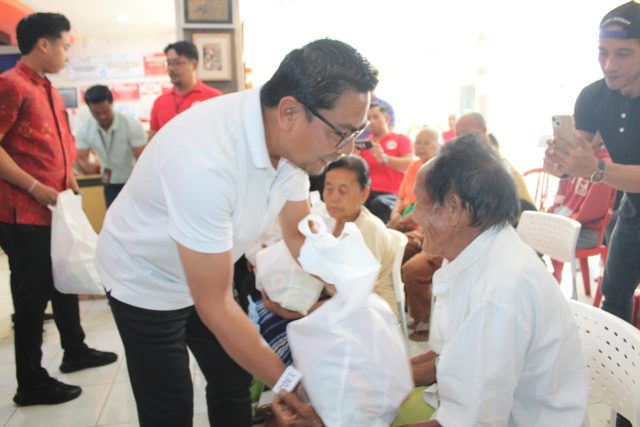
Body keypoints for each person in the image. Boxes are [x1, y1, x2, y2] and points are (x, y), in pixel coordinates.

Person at [94, 39, 377, 427]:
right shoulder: (204, 163)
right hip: (146, 278)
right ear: (290, 112)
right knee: (169, 402)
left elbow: (297, 234)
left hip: (210, 268)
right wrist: (290, 385)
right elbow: (214, 305)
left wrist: (346, 285)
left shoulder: (289, 143)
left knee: (232, 379)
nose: (348, 150)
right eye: (341, 133)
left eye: (357, 133)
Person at [270, 133, 589, 427]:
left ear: (454, 208)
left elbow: (466, 423)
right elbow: (446, 359)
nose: (413, 216)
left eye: (420, 202)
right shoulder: (474, 253)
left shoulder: (499, 292)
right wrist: (354, 394)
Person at [0, 12, 117, 407]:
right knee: (31, 295)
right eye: (65, 45)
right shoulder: (10, 85)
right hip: (23, 210)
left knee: (65, 277)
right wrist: (35, 186)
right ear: (44, 44)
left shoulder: (47, 88)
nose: (68, 53)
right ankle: (30, 382)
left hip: (55, 206)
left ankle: (75, 350)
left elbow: (52, 144)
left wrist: (68, 178)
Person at [256, 155, 400, 366]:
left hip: (370, 315)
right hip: (342, 303)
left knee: (286, 328)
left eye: (343, 191)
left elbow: (355, 298)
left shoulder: (366, 231)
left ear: (364, 193)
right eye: (329, 189)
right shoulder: (332, 221)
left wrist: (298, 313)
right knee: (265, 310)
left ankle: (297, 381)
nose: (333, 198)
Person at [75, 85, 147, 207]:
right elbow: (81, 159)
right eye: (96, 113)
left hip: (132, 182)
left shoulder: (131, 125)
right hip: (109, 183)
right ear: (89, 108)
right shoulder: (85, 130)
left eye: (105, 111)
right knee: (112, 216)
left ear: (111, 104)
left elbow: (142, 159)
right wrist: (94, 170)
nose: (102, 116)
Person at [455, 112, 536, 211]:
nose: (460, 139)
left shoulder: (494, 165)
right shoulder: (472, 159)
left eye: (466, 134)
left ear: (483, 130)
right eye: (457, 135)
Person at [148, 41, 223, 140]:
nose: (171, 68)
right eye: (169, 63)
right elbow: (153, 141)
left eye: (177, 63)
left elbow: (223, 135)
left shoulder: (214, 98)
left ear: (194, 65)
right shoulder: (160, 102)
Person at [357, 103, 413, 223]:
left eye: (375, 117)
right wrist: (352, 155)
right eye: (368, 118)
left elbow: (409, 164)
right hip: (368, 192)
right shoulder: (364, 144)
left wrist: (385, 158)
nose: (372, 121)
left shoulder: (401, 139)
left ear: (386, 118)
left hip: (392, 195)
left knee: (378, 203)